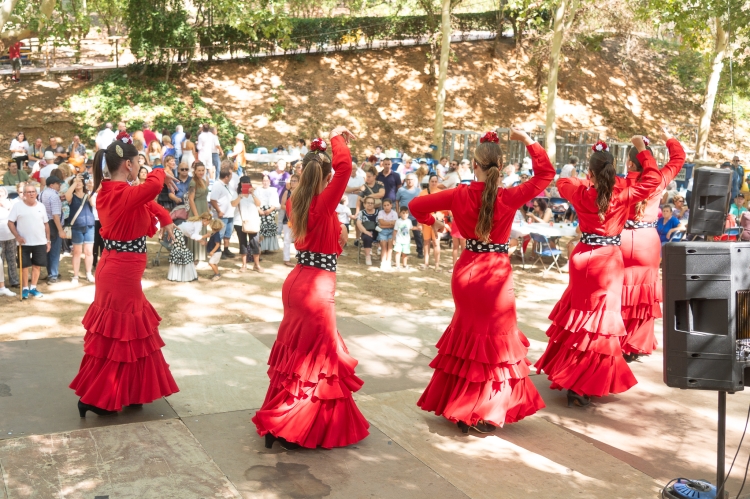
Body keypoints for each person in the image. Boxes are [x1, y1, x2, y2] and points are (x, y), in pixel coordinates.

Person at [409, 128, 552, 433]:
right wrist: (527, 140)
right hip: (496, 274)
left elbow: (415, 207)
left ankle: (461, 405)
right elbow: (545, 174)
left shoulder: (459, 193)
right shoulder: (510, 196)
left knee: (467, 338)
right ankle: (482, 409)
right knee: (494, 343)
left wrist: (436, 222)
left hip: (467, 271)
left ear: (473, 165)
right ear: (500, 169)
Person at [253, 128, 369, 450]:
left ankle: (279, 417)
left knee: (296, 356)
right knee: (316, 360)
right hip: (317, 287)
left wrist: (340, 231)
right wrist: (336, 138)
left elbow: (321, 234)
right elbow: (345, 168)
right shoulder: (322, 203)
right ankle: (291, 426)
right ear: (327, 178)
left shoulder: (296, 202)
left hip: (297, 282)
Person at [534, 135, 668, 408]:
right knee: (600, 324)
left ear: (591, 171)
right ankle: (582, 384)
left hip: (582, 257)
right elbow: (653, 181)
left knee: (577, 316)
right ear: (613, 170)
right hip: (608, 261)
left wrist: (588, 181)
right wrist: (642, 151)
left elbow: (562, 182)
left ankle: (570, 375)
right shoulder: (623, 194)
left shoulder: (582, 192)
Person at [69, 135, 179, 417]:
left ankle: (130, 390)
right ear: (129, 164)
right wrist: (158, 169)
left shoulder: (119, 190)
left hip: (123, 270)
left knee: (132, 333)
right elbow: (152, 186)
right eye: (137, 162)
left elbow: (147, 203)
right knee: (120, 334)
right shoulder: (118, 193)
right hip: (119, 272)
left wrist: (166, 219)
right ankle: (95, 396)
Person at [618, 128, 685, 362]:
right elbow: (679, 158)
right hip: (648, 241)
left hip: (622, 239)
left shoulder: (620, 182)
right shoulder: (660, 179)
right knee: (644, 293)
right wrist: (669, 137)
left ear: (629, 163)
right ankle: (635, 344)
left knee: (621, 291)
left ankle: (616, 339)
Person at [7, 183, 50, 299]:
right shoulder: (17, 206)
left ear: (36, 194)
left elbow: (46, 224)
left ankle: (33, 288)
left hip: (40, 241)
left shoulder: (41, 206)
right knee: (24, 266)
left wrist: (48, 240)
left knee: (37, 265)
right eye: (28, 192)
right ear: (24, 194)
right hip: (23, 243)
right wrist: (17, 236)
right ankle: (25, 288)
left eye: (33, 192)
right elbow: (10, 222)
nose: (31, 194)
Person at [65, 173, 97, 283]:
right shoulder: (72, 196)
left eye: (79, 181)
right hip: (76, 226)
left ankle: (89, 273)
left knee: (89, 252)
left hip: (89, 225)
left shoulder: (88, 195)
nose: (78, 183)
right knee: (77, 252)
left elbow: (93, 203)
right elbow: (67, 195)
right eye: (75, 181)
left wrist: (92, 188)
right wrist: (74, 182)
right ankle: (75, 275)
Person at [233, 176, 263, 273]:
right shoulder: (236, 193)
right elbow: (233, 204)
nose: (245, 185)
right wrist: (240, 195)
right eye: (243, 183)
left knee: (255, 243)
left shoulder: (255, 192)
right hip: (239, 222)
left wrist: (253, 194)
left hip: (253, 221)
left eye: (247, 183)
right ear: (240, 184)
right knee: (243, 243)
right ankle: (244, 265)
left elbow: (258, 204)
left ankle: (257, 265)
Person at [40, 176, 64, 284]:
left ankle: (50, 272)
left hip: (42, 223)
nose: (59, 185)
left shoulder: (41, 194)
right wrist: (60, 230)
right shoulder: (54, 196)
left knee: (47, 248)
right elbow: (55, 215)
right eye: (58, 183)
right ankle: (53, 275)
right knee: (54, 250)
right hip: (53, 224)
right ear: (52, 185)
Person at [209, 168, 237, 258]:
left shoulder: (227, 184)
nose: (231, 178)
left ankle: (226, 249)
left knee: (228, 232)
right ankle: (216, 250)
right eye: (230, 176)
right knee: (220, 233)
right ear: (226, 177)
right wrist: (219, 211)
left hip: (230, 213)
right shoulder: (217, 185)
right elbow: (213, 200)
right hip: (222, 214)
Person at [418, 175, 444, 271]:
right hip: (426, 220)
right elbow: (419, 207)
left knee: (436, 243)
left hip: (437, 220)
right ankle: (426, 263)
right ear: (429, 182)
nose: (433, 183)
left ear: (437, 182)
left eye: (435, 181)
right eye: (432, 181)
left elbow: (444, 208)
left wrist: (439, 215)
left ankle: (437, 265)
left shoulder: (441, 193)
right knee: (426, 242)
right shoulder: (423, 193)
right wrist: (419, 222)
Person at [395, 173, 424, 259]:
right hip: (403, 216)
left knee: (417, 234)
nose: (409, 181)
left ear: (414, 181)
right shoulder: (401, 190)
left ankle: (420, 250)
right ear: (405, 180)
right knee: (401, 233)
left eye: (411, 180)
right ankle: (399, 250)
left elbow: (421, 202)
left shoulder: (418, 191)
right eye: (408, 179)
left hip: (415, 216)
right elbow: (397, 201)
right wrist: (397, 211)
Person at [187, 162, 209, 264]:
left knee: (202, 231)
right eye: (199, 170)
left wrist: (208, 213)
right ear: (195, 171)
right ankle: (194, 256)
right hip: (196, 208)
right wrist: (197, 216)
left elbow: (205, 198)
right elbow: (191, 199)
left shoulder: (204, 181)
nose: (201, 172)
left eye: (202, 170)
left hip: (204, 207)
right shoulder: (193, 182)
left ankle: (201, 255)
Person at [0, 188, 19, 290]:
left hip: (10, 236)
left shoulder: (11, 203)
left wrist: (7, 207)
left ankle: (14, 281)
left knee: (12, 259)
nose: (0, 194)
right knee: (0, 261)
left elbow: (15, 216)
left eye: (2, 192)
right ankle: (1, 283)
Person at [256, 175, 281, 253]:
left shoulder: (273, 190)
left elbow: (276, 202)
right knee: (261, 229)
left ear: (269, 182)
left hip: (270, 211)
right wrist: (259, 210)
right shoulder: (258, 190)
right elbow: (255, 202)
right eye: (264, 180)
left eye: (267, 181)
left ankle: (268, 247)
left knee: (269, 228)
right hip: (260, 211)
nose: (265, 182)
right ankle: (261, 246)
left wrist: (270, 210)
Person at [281, 174, 299, 267]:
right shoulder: (287, 192)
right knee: (287, 239)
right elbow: (282, 205)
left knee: (299, 240)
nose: (292, 182)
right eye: (292, 180)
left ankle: (299, 258)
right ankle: (286, 259)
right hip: (288, 219)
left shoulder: (301, 193)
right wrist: (291, 209)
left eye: (295, 181)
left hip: (298, 220)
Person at [356, 197, 380, 265]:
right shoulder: (361, 213)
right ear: (364, 204)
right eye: (368, 203)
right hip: (365, 231)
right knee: (367, 238)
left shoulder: (378, 212)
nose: (370, 204)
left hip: (377, 231)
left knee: (385, 237)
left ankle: (385, 257)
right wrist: (366, 232)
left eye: (372, 203)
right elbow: (359, 223)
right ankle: (368, 256)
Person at [376, 198, 397, 269]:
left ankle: (388, 262)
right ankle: (383, 263)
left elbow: (395, 224)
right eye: (384, 205)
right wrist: (390, 223)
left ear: (391, 205)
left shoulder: (394, 213)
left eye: (388, 205)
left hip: (391, 231)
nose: (386, 207)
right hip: (382, 232)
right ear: (382, 206)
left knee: (390, 248)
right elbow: (381, 223)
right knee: (384, 248)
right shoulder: (380, 212)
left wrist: (384, 225)